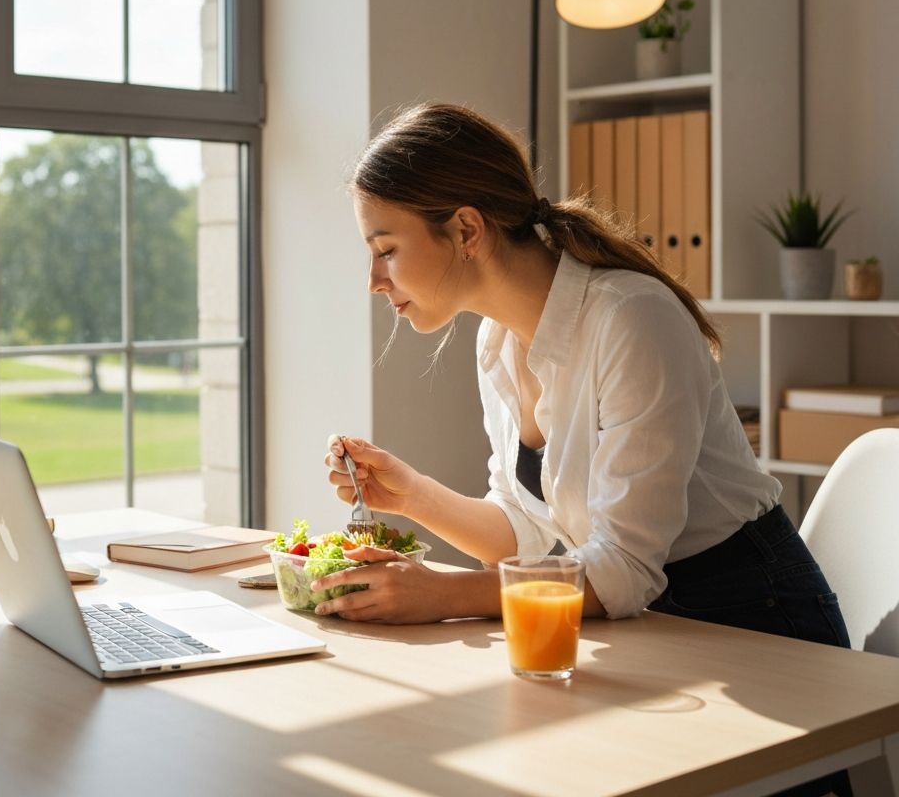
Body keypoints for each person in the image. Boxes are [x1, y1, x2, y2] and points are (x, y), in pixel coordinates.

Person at [317, 101, 851, 796]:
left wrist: (441, 595)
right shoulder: (498, 342)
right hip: (645, 629)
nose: (374, 280)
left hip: (756, 627)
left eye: (385, 249)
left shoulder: (632, 320)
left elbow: (624, 570)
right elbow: (530, 535)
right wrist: (409, 493)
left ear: (466, 228)